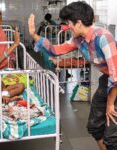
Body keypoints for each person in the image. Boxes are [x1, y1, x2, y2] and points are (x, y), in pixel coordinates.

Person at [28, 1, 117, 150]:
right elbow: (54, 50)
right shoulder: (79, 40)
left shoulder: (103, 37)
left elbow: (116, 76)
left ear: (79, 23)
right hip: (107, 81)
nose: (67, 26)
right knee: (95, 126)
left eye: (69, 23)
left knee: (112, 135)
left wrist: (110, 104)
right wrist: (34, 35)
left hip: (115, 83)